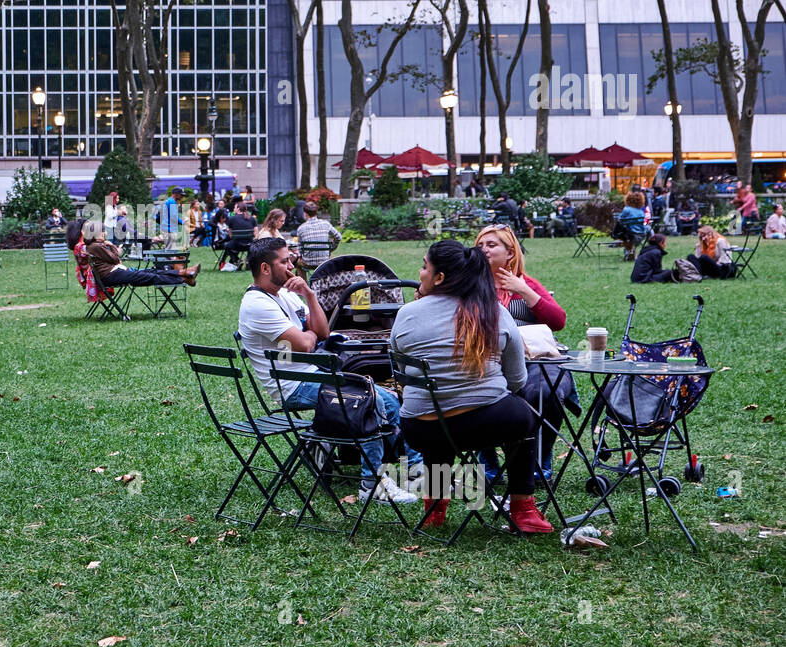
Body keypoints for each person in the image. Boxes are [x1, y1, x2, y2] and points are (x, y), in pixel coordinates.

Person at [238, 237, 420, 503]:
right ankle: (372, 485)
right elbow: (303, 344)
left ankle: (416, 471)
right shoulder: (257, 304)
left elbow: (322, 332)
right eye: (284, 261)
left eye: (290, 258)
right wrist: (309, 336)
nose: (291, 265)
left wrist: (309, 295)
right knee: (368, 401)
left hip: (315, 373)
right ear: (265, 268)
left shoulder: (288, 294)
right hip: (292, 385)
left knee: (391, 399)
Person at [390, 240, 555, 534]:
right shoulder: (494, 311)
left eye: (424, 266)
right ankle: (523, 508)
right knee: (523, 415)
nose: (420, 272)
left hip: (419, 428)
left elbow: (404, 372)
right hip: (484, 425)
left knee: (438, 415)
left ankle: (434, 507)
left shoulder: (407, 313)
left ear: (439, 278)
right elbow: (517, 380)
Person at [474, 224, 571, 481]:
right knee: (475, 388)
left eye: (492, 245)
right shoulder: (472, 286)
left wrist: (524, 291)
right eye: (480, 245)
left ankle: (540, 461)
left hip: (534, 359)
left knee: (546, 390)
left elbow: (558, 321)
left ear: (510, 252)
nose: (484, 250)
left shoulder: (526, 283)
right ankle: (489, 464)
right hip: (489, 359)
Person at [83, 221, 199, 288]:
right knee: (150, 276)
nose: (104, 233)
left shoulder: (96, 246)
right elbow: (115, 258)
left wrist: (108, 246)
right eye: (101, 231)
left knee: (151, 271)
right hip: (111, 276)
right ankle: (183, 278)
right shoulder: (96, 246)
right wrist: (112, 246)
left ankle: (184, 273)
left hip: (115, 273)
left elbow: (114, 259)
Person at [295, 200, 341, 272]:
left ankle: (304, 282)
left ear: (305, 214)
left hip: (308, 262)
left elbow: (300, 248)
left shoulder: (301, 228)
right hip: (324, 261)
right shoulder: (326, 224)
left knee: (298, 264)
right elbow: (338, 237)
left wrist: (301, 256)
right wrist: (331, 249)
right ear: (316, 212)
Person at [220, 201, 257, 270]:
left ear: (238, 209)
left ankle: (237, 260)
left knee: (227, 246)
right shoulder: (252, 218)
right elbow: (256, 233)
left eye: (234, 208)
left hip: (236, 245)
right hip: (249, 245)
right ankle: (248, 261)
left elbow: (230, 235)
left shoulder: (232, 219)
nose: (233, 209)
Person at [613, 190, 648, 259]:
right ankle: (631, 251)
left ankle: (629, 250)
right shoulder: (641, 211)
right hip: (642, 234)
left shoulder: (626, 209)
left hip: (630, 235)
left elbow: (621, 220)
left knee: (620, 231)